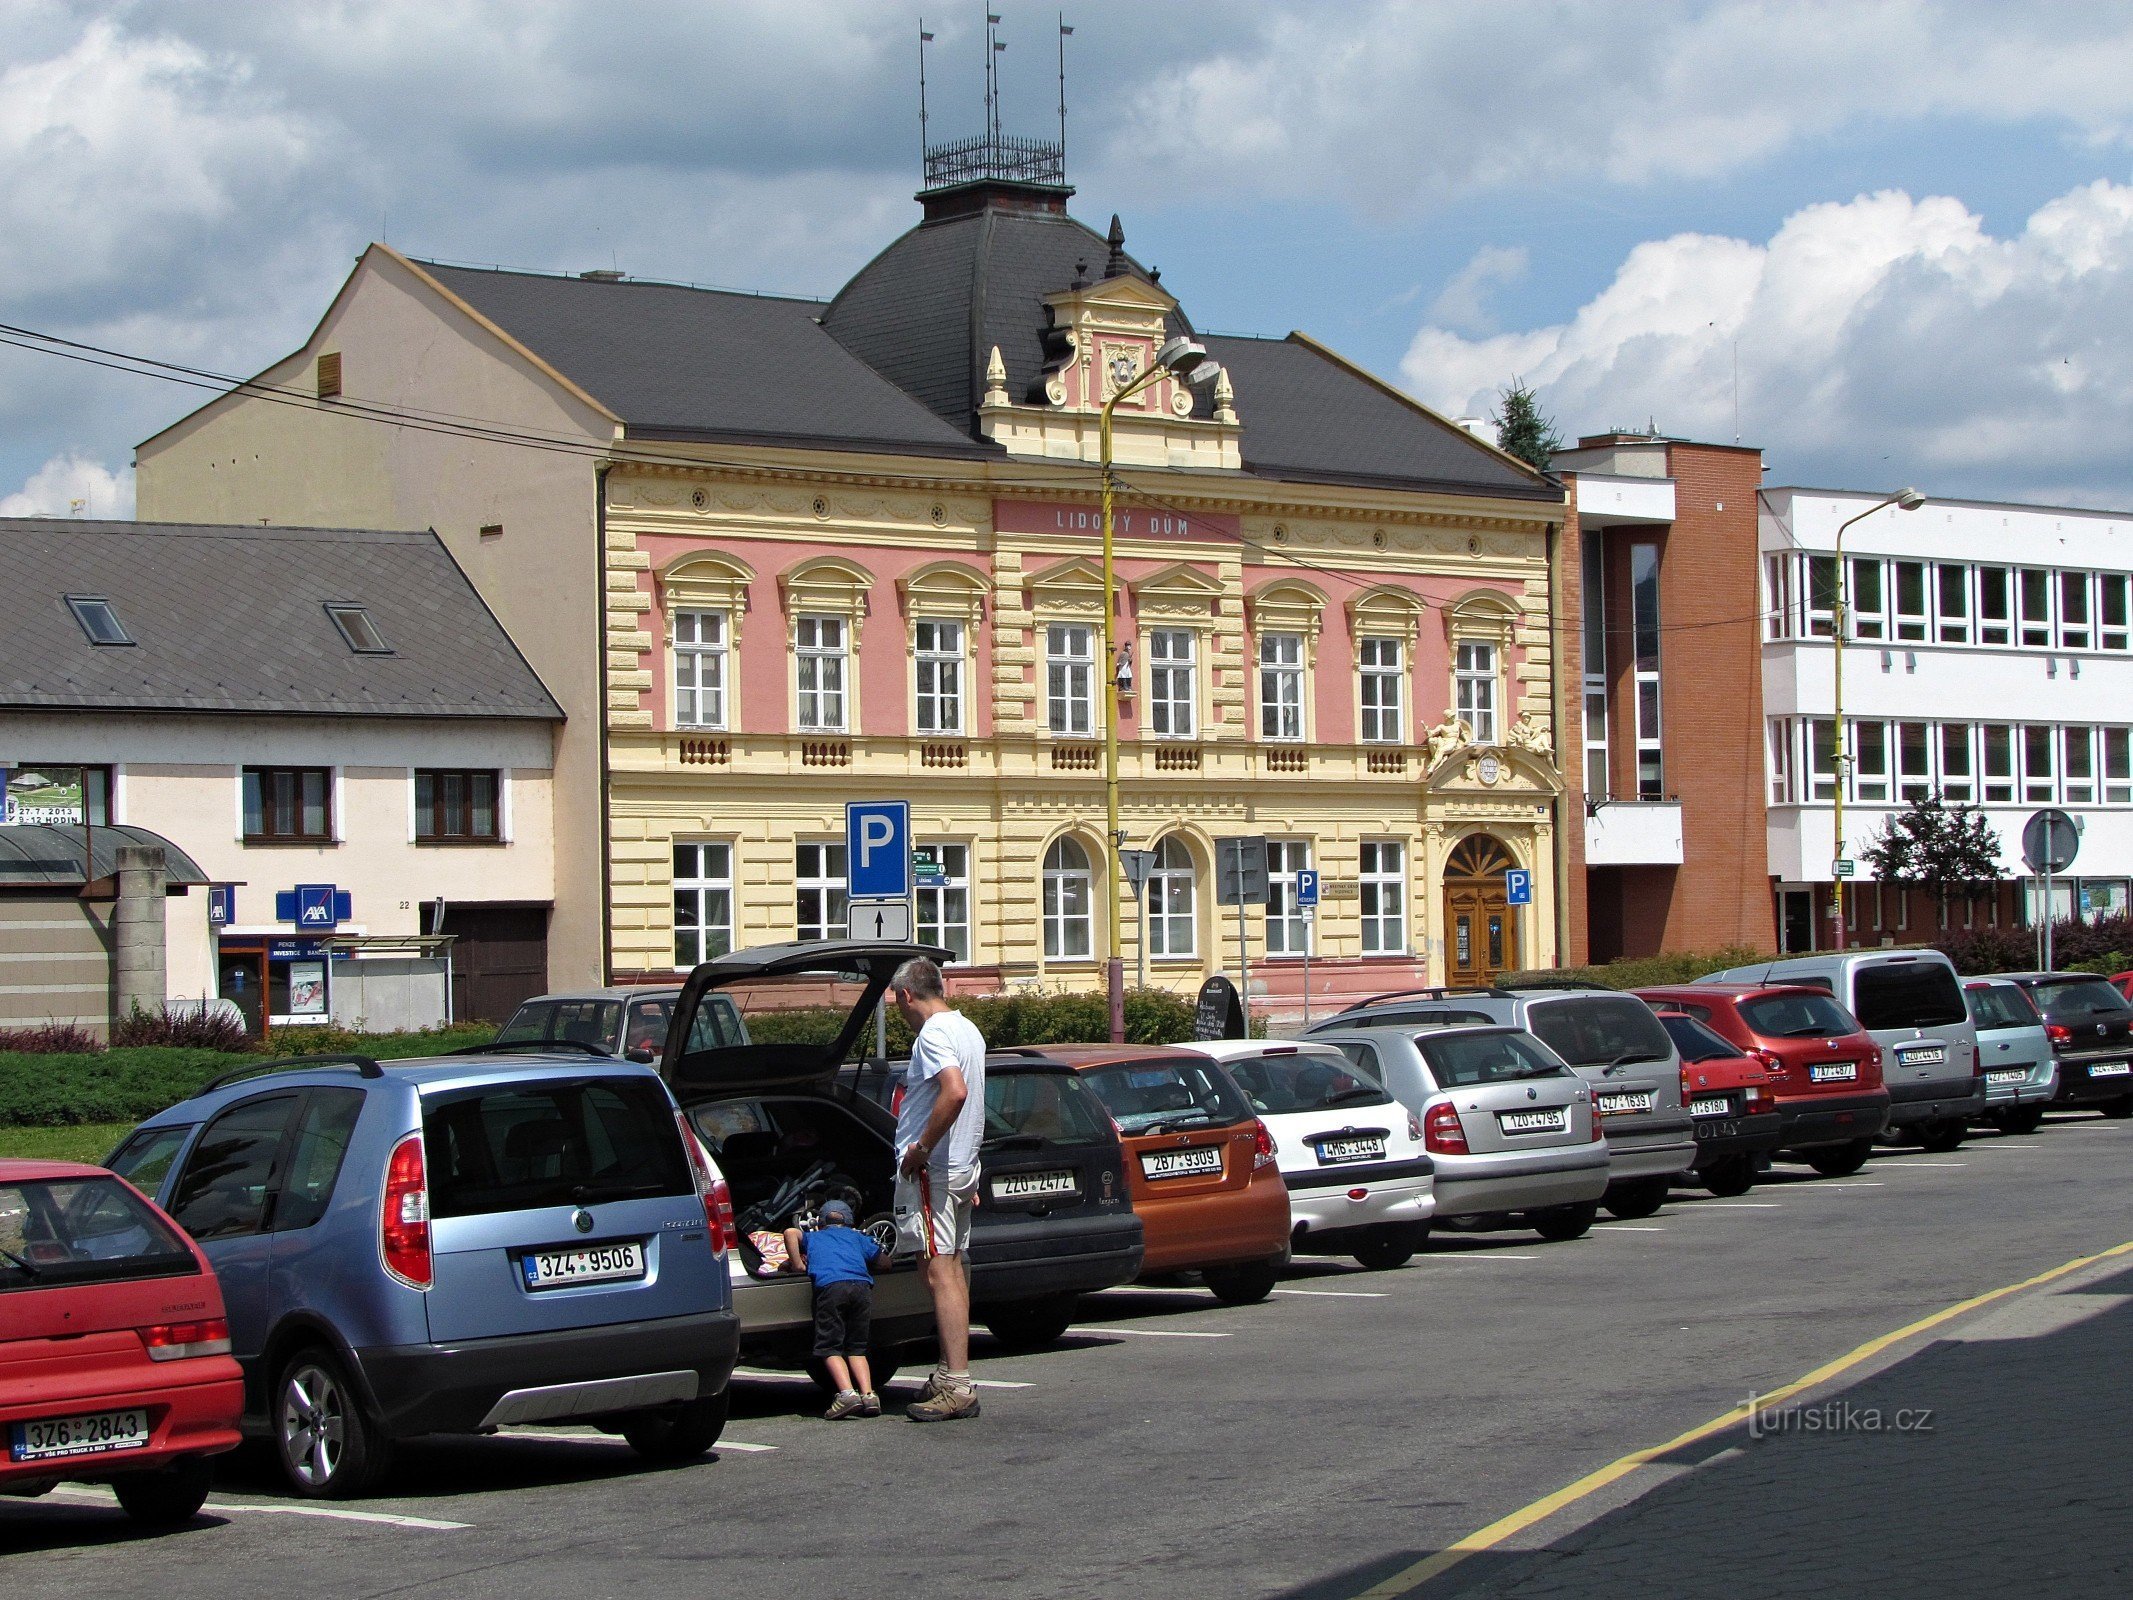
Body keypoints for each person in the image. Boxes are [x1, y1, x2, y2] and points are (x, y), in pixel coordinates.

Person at [889, 955, 987, 1422]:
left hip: (936, 1170)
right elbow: (974, 1098)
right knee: (952, 1267)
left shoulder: (932, 1034)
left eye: (895, 1000)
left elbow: (956, 1092)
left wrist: (921, 1149)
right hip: (962, 1168)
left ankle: (957, 1383)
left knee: (938, 1270)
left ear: (907, 994)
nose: (898, 1009)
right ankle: (953, 1371)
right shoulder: (968, 1028)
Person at [782, 1197, 882, 1420]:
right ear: (849, 1222)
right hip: (862, 1288)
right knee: (857, 1347)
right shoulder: (858, 1237)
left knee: (830, 1347)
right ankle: (869, 1395)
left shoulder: (814, 1237)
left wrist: (798, 1264)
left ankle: (846, 1394)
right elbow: (885, 1262)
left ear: (820, 1223)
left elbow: (790, 1233)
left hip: (831, 1287)